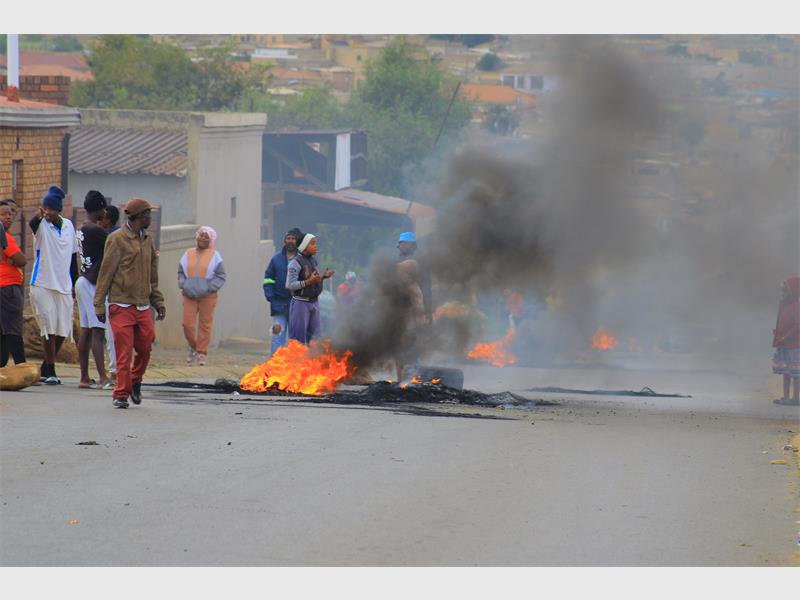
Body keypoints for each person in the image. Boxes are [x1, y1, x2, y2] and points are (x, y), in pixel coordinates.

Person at [94, 198, 166, 409]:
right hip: (120, 304)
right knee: (123, 352)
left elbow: (153, 275)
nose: (150, 218)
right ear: (136, 217)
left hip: (143, 305)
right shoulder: (116, 239)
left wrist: (158, 301)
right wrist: (99, 304)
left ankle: (136, 380)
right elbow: (105, 273)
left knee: (145, 347)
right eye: (146, 215)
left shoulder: (148, 240)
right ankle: (121, 393)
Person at [29, 186, 79, 385]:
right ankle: (51, 369)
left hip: (64, 284)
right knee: (48, 327)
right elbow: (33, 225)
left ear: (59, 210)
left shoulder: (68, 226)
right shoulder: (41, 225)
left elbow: (73, 257)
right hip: (43, 282)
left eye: (51, 208)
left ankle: (45, 365)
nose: (47, 211)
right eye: (45, 207)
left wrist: (74, 284)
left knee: (62, 330)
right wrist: (38, 217)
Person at [75, 190, 112, 389]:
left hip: (82, 281)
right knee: (98, 331)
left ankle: (83, 377)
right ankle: (103, 378)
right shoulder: (96, 231)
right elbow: (115, 247)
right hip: (92, 284)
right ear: (98, 209)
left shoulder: (82, 228)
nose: (105, 212)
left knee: (86, 330)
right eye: (103, 208)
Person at [178, 226, 226, 366]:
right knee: (187, 324)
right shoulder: (188, 253)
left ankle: (201, 353)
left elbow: (221, 276)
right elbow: (180, 272)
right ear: (197, 236)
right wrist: (183, 284)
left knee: (205, 325)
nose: (203, 238)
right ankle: (193, 347)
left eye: (206, 237)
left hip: (208, 296)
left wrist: (210, 288)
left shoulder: (215, 256)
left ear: (211, 240)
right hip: (189, 294)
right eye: (201, 235)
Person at [286, 233, 333, 345]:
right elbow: (290, 285)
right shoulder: (295, 262)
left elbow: (314, 280)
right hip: (301, 303)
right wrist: (308, 282)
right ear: (304, 246)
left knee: (316, 339)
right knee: (298, 339)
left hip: (314, 303)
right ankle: (297, 362)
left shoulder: (313, 261)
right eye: (312, 243)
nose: (316, 246)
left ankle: (313, 362)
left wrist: (323, 277)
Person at [264, 227, 302, 354]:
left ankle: (293, 367)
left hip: (297, 304)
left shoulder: (303, 260)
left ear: (298, 242)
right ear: (284, 241)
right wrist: (271, 297)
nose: (290, 241)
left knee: (295, 339)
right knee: (277, 334)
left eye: (293, 239)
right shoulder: (276, 260)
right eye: (288, 238)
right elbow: (268, 279)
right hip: (279, 303)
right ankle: (275, 365)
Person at [0, 201, 27, 367]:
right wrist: (13, 259)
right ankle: (21, 365)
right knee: (13, 329)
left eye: (10, 213)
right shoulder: (4, 236)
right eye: (3, 214)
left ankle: (2, 366)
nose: (8, 217)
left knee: (3, 331)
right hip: (8, 287)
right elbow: (21, 260)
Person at [97, 203, 121, 383]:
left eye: (101, 218)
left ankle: (115, 370)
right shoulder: (116, 236)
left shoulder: (110, 238)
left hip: (113, 292)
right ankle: (118, 369)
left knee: (111, 333)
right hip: (118, 292)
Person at [395, 258, 427, 381]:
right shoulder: (399, 287)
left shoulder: (413, 288)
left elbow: (419, 307)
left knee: (408, 353)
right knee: (399, 353)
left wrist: (422, 322)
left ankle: (409, 379)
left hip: (408, 327)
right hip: (399, 326)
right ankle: (402, 379)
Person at [772, 276, 800, 406]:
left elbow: (797, 326)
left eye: (785, 290)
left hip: (794, 345)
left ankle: (795, 398)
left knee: (795, 373)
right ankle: (786, 396)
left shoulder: (797, 307)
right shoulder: (784, 306)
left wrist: (786, 336)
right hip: (784, 345)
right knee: (786, 372)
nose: (782, 293)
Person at [397, 231, 432, 322]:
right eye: (401, 244)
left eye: (404, 243)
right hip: (399, 301)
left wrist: (428, 311)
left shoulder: (420, 260)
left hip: (415, 299)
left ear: (412, 245)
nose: (401, 246)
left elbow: (426, 286)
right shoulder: (396, 260)